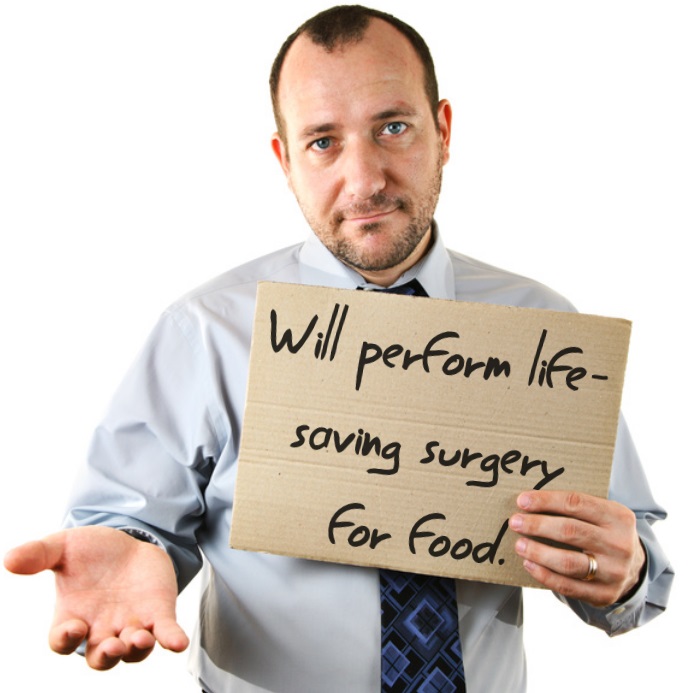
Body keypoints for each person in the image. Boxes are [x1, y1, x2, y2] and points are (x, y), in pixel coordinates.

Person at [3, 5, 673, 692]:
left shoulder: (542, 331)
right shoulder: (205, 330)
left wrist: (621, 574)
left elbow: (634, 559)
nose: (366, 180)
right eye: (323, 141)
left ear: (442, 130)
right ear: (284, 157)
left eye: (393, 127)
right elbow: (125, 525)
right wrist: (135, 548)